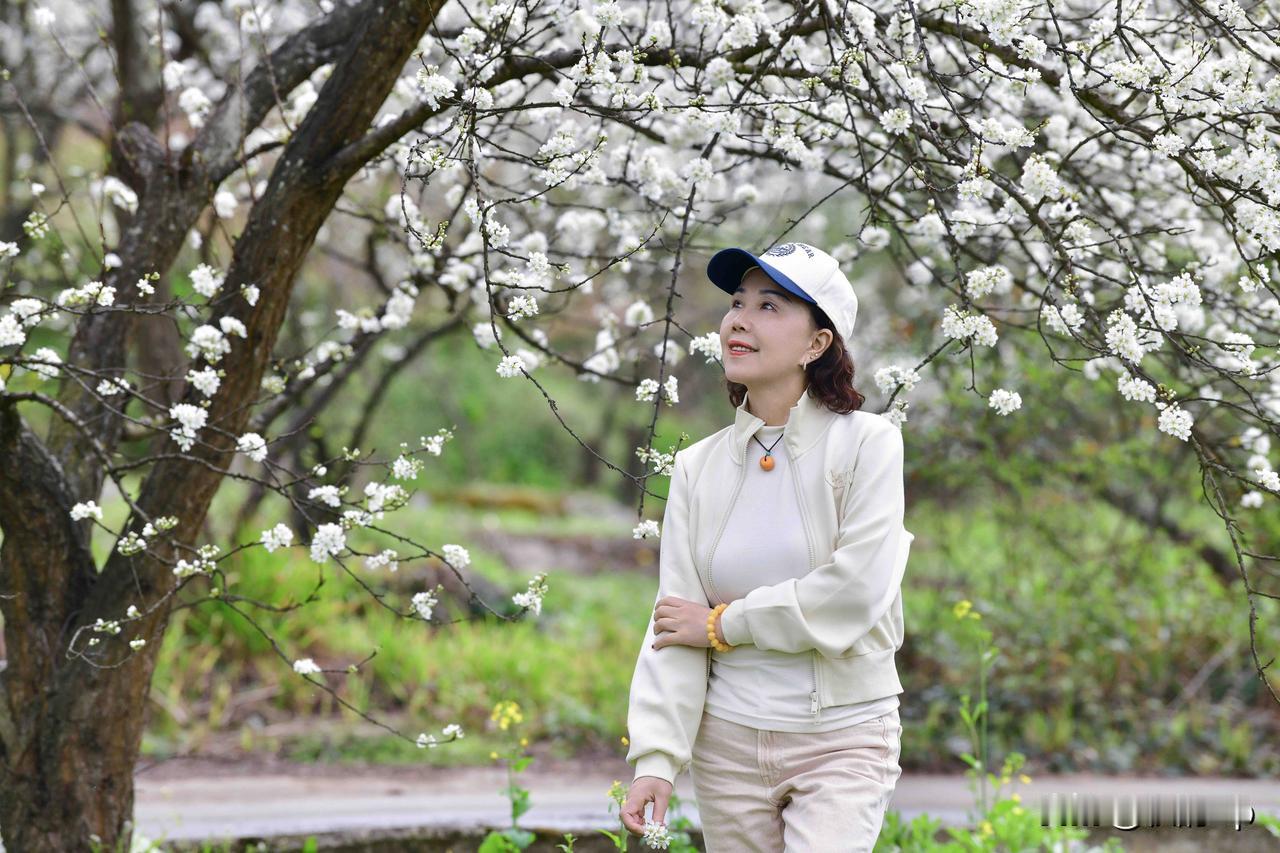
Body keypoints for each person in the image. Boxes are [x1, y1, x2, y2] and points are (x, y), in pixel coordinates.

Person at [619, 241, 913, 851]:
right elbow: (676, 623)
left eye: (771, 306)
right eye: (736, 303)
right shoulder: (698, 467)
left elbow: (853, 594)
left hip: (844, 737)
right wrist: (656, 756)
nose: (740, 320)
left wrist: (724, 624)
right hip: (727, 747)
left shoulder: (867, 446)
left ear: (817, 343)